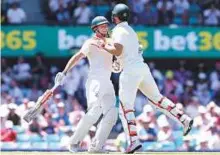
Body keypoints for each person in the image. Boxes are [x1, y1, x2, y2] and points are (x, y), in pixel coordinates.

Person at [101, 3, 193, 153]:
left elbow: (118, 50)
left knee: (126, 108)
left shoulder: (118, 30)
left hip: (130, 71)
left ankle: (134, 141)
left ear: (115, 17)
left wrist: (104, 45)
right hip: (142, 68)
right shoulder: (131, 31)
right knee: (157, 99)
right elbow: (127, 53)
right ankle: (183, 119)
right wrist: (117, 61)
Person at [54, 16, 118, 153]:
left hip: (108, 82)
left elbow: (116, 61)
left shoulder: (110, 43)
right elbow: (77, 57)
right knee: (94, 112)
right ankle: (74, 142)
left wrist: (120, 63)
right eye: (102, 26)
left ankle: (96, 147)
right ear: (95, 29)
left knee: (112, 114)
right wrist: (64, 72)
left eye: (106, 25)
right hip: (94, 80)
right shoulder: (90, 43)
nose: (106, 28)